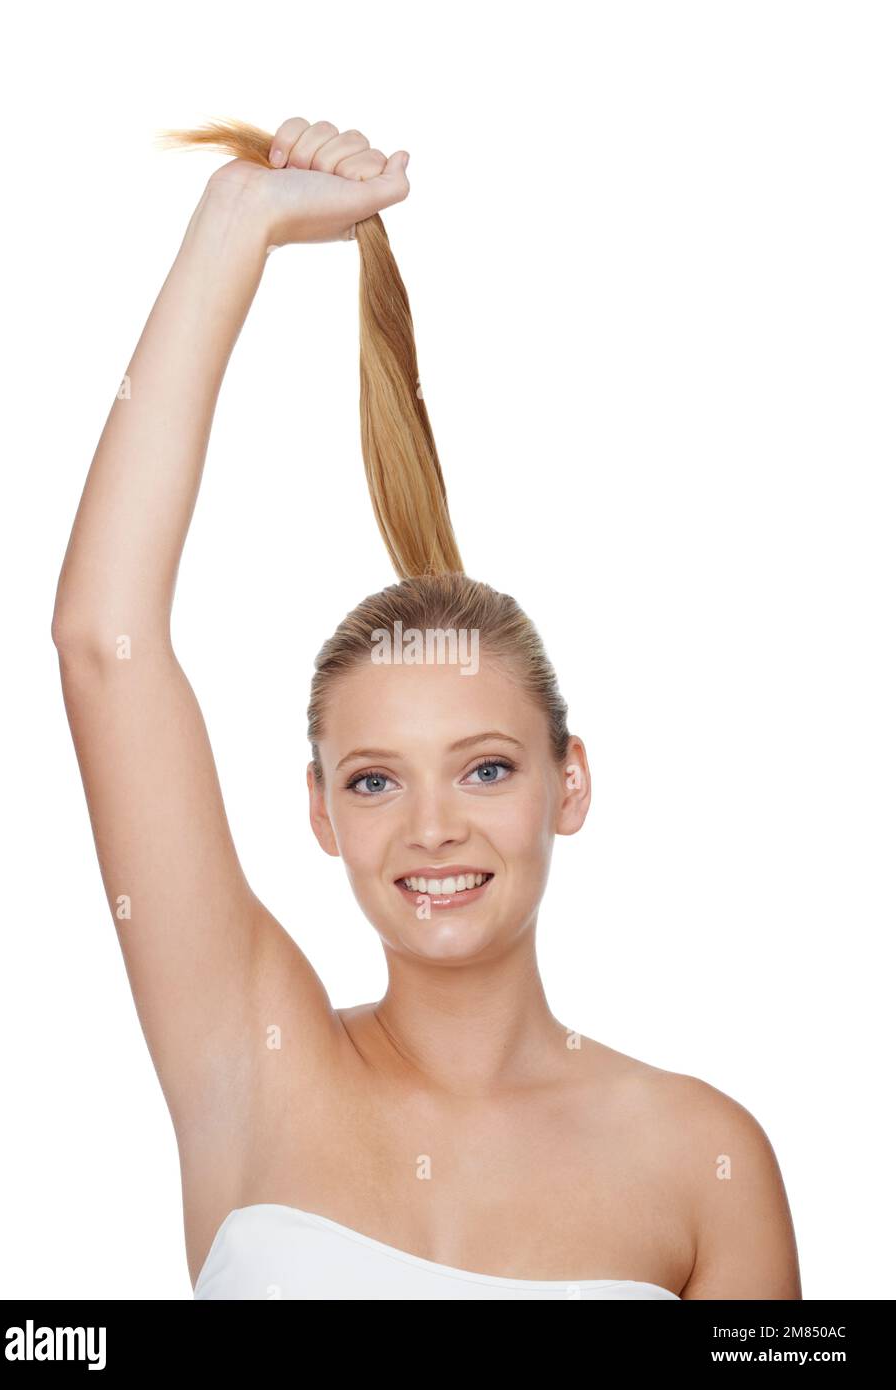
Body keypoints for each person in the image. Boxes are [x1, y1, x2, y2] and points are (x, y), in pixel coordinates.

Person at [51, 115, 802, 1301]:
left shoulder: (704, 1164)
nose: (433, 828)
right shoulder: (253, 1062)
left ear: (571, 782)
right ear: (320, 812)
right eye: (372, 779)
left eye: (487, 767)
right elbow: (103, 642)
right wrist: (232, 228)